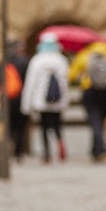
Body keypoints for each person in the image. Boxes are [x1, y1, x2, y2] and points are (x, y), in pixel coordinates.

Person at [68, 40, 106, 161]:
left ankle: (99, 149)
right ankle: (97, 149)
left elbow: (71, 75)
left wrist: (82, 79)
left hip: (90, 91)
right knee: (101, 121)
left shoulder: (83, 55)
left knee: (94, 120)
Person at [20, 32, 70, 163]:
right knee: (57, 126)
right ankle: (60, 144)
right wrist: (65, 101)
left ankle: (46, 154)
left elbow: (30, 83)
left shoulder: (37, 60)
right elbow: (65, 82)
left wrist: (26, 105)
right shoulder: (61, 60)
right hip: (57, 101)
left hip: (42, 101)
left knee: (44, 128)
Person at [0, 39, 30, 162]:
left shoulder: (1, 63)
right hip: (21, 98)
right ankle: (19, 152)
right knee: (20, 126)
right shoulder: (24, 62)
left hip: (6, 98)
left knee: (8, 125)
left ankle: (9, 148)